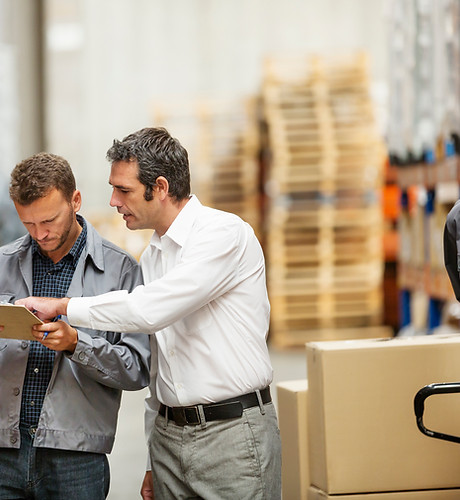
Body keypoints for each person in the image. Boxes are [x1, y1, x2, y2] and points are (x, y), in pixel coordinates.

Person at [18, 127, 282, 500]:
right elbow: (162, 365)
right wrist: (151, 457)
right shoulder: (156, 254)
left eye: (123, 190)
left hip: (231, 435)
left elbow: (150, 310)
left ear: (159, 187)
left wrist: (63, 307)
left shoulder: (223, 235)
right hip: (170, 438)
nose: (113, 200)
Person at [0, 152, 151, 500]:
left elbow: (137, 369)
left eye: (49, 220)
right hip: (5, 450)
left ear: (76, 200)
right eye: (29, 224)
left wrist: (75, 344)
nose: (40, 234)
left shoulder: (121, 271)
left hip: (76, 458)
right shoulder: (4, 263)